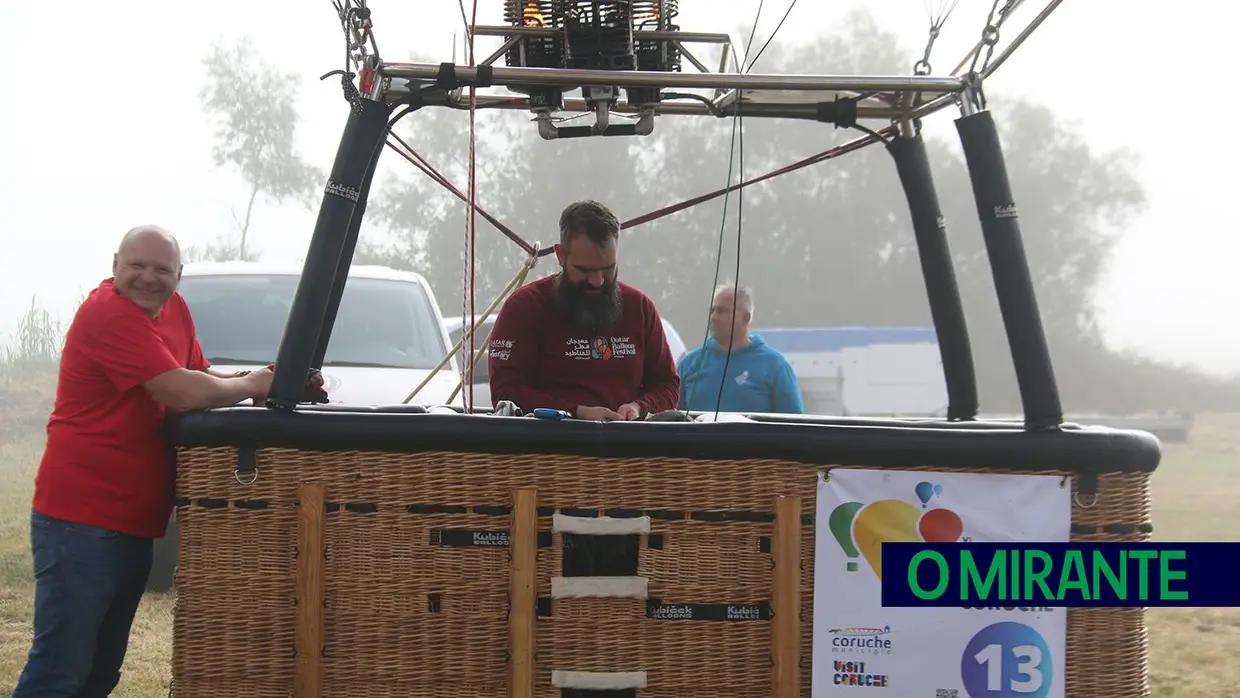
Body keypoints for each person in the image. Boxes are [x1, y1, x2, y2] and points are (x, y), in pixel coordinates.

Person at [12, 225, 274, 697]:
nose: (148, 278)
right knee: (59, 670)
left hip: (133, 521)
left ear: (179, 274)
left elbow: (198, 373)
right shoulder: (107, 315)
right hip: (80, 520)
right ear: (115, 266)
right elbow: (178, 390)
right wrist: (252, 386)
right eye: (137, 265)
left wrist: (258, 379)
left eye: (161, 269)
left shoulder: (175, 310)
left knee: (100, 671)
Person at [487, 200, 680, 421]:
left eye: (608, 269)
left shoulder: (640, 308)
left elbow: (668, 384)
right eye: (585, 270)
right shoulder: (524, 308)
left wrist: (640, 407)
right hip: (548, 449)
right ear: (560, 256)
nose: (598, 281)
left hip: (628, 448)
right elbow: (506, 392)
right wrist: (576, 412)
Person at [677, 285, 805, 415]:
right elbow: (671, 421)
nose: (713, 318)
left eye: (721, 311)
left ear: (745, 318)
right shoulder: (689, 365)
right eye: (712, 311)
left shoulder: (775, 366)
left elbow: (795, 427)